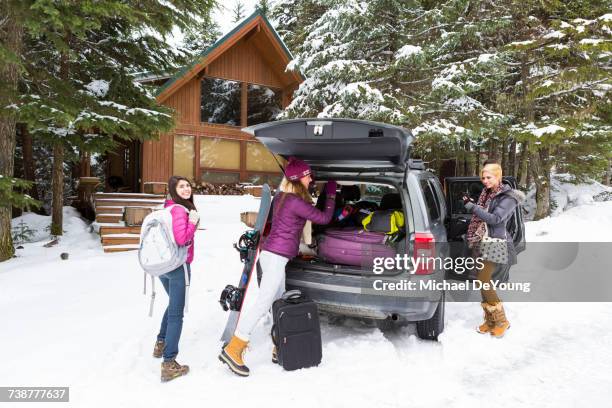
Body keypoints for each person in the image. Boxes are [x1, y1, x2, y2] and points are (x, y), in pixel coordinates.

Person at [219, 157, 337, 377]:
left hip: (273, 255)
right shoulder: (295, 201)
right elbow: (324, 218)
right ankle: (234, 348)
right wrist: (330, 193)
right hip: (275, 257)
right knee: (263, 303)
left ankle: (279, 345)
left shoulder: (282, 196)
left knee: (278, 301)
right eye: (308, 175)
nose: (311, 178)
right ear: (297, 178)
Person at [463, 163, 525, 338]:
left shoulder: (509, 197)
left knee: (483, 279)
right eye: (483, 177)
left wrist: (472, 207)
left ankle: (502, 321)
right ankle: (490, 321)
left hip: (495, 241)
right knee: (481, 279)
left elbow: (496, 219)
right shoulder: (487, 194)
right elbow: (484, 213)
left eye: (489, 177)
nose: (485, 180)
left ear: (498, 176)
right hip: (482, 240)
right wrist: (474, 204)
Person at [153, 176, 200, 382]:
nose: (186, 188)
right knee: (176, 314)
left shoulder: (168, 207)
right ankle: (169, 362)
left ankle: (160, 342)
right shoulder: (180, 210)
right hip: (178, 266)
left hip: (163, 265)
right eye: (181, 186)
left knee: (172, 304)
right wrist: (193, 222)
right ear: (173, 189)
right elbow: (182, 239)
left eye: (188, 185)